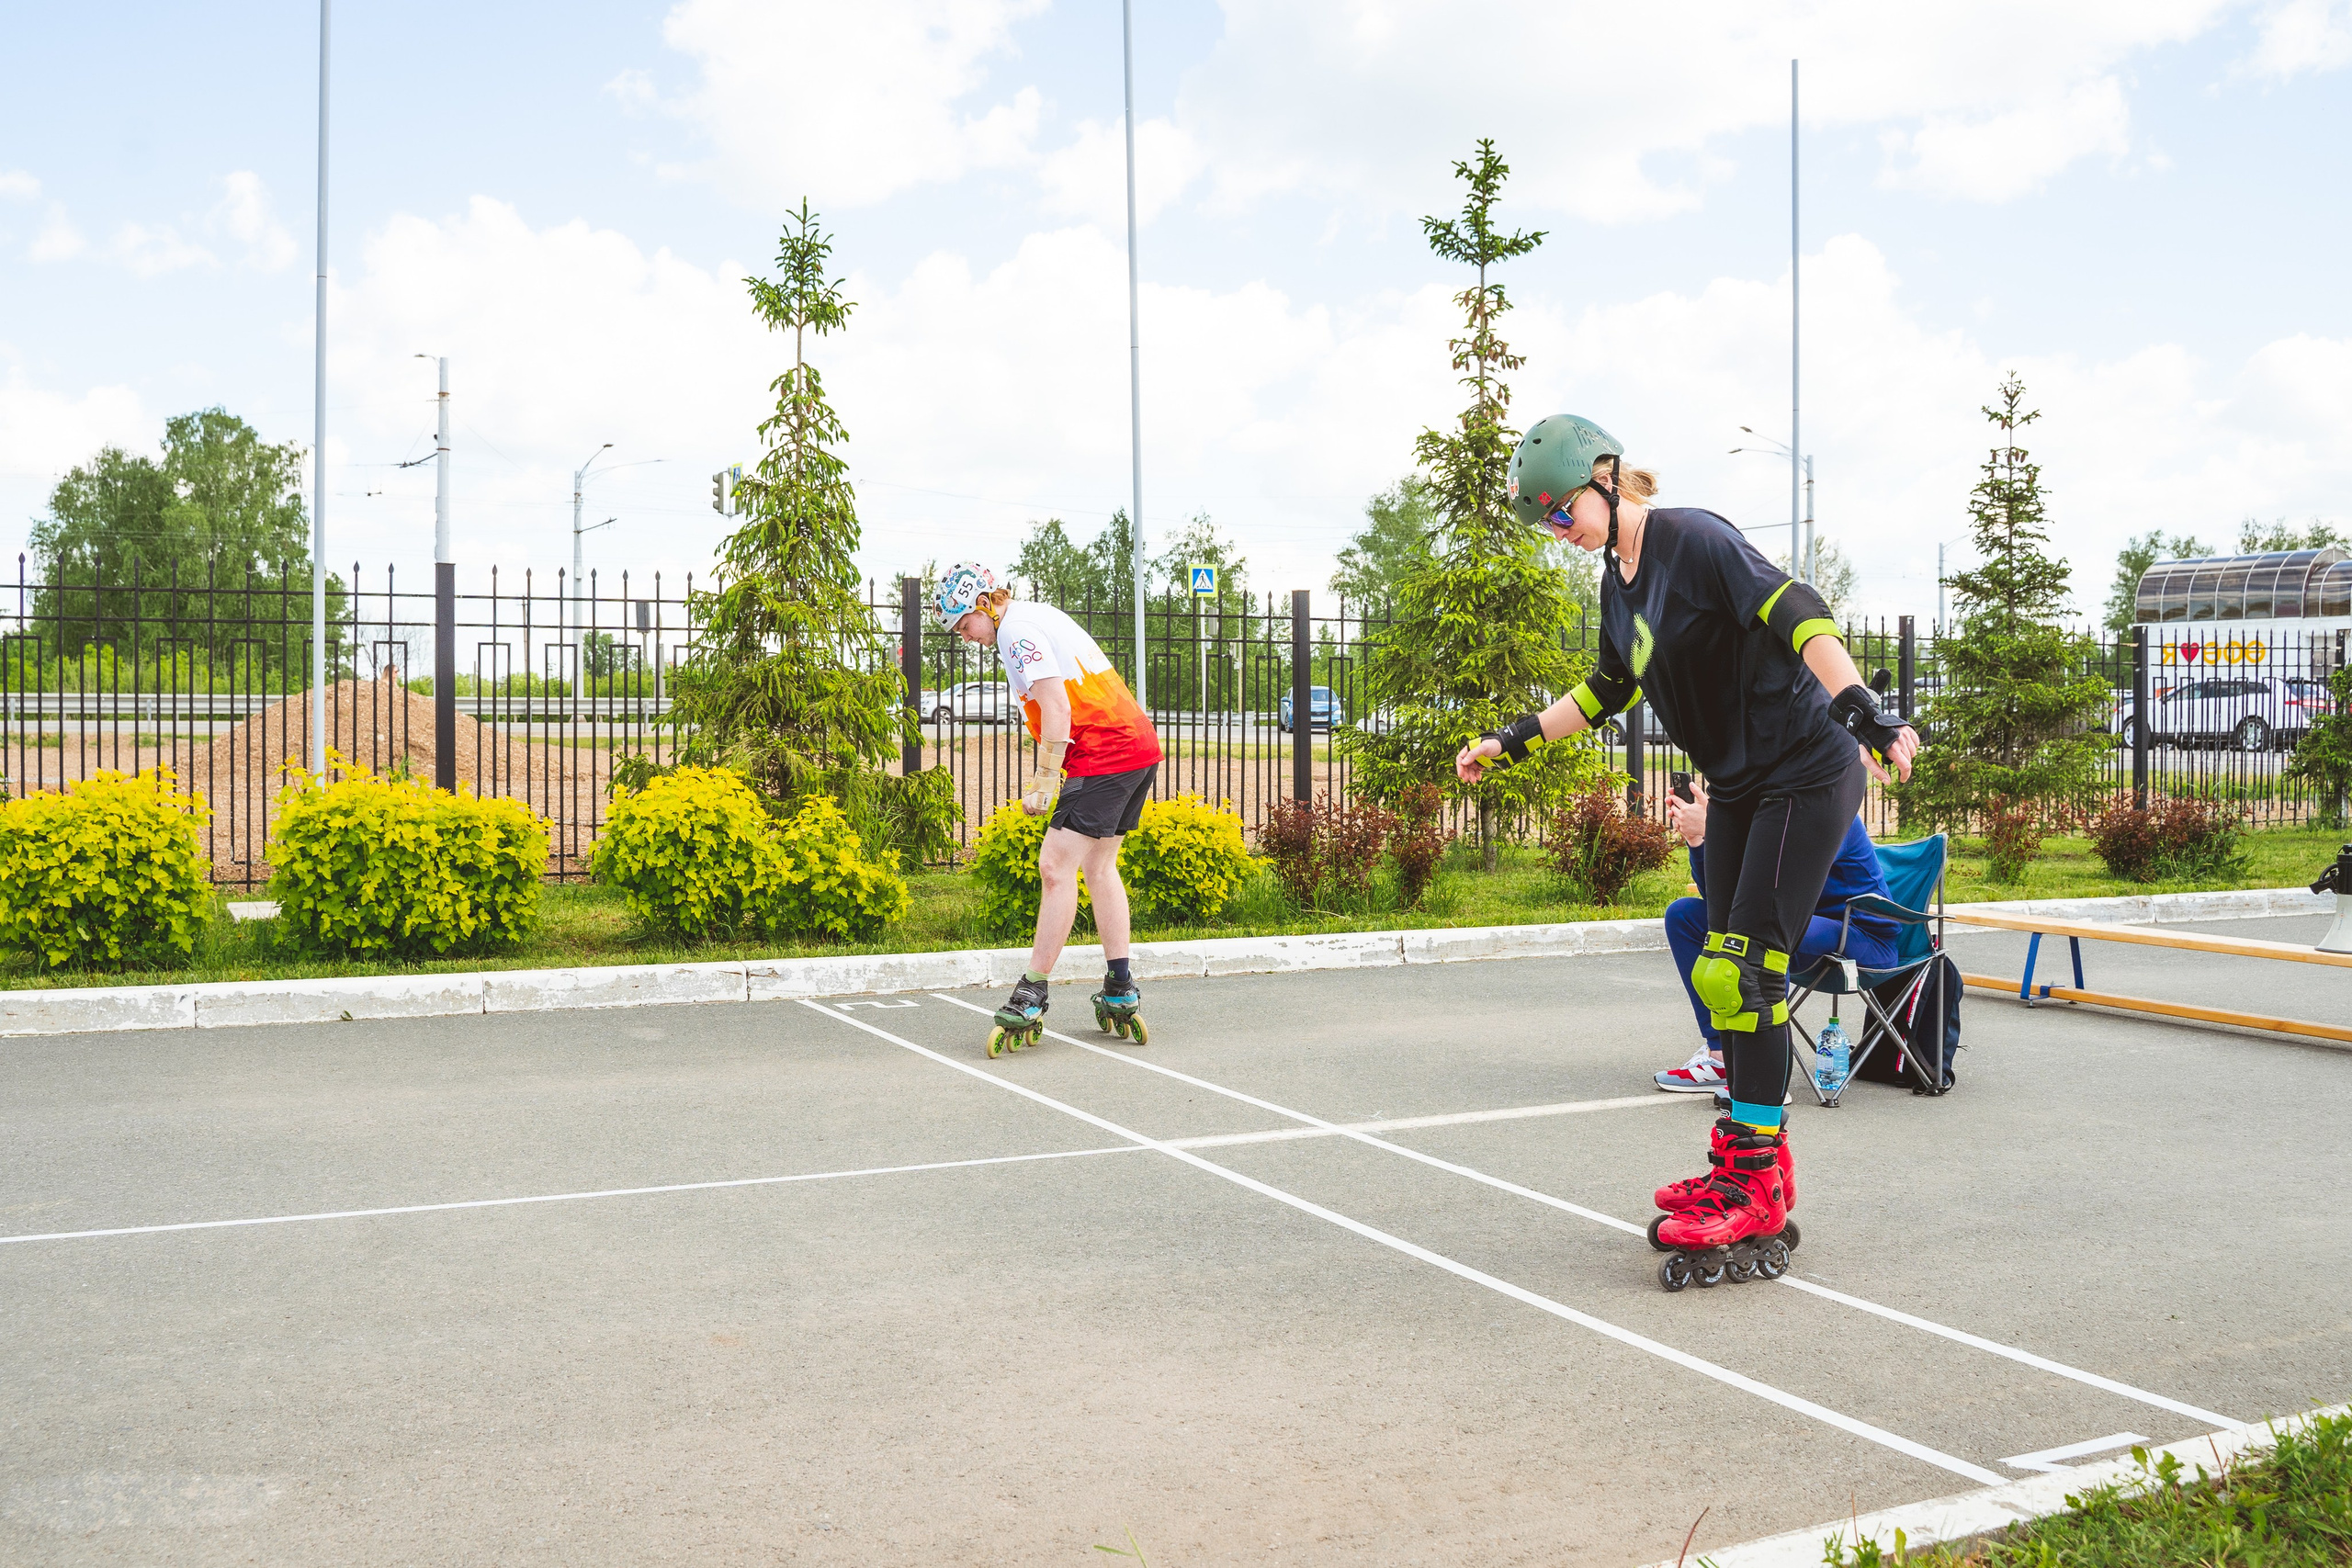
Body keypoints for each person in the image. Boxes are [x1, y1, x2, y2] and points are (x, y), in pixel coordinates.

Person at [1453, 415, 1918, 1289]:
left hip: (1804, 770)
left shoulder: (1693, 540)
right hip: (1741, 782)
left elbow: (1796, 610)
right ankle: (1754, 1161)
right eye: (1549, 525)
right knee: (1723, 968)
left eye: (1564, 514)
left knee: (1750, 972)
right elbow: (1605, 688)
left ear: (1604, 477)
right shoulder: (1618, 585)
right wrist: (1507, 740)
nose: (1562, 533)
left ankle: (1754, 1182)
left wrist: (1857, 698)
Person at [933, 563, 1163, 1056]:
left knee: (1055, 868)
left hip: (1102, 752)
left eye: (964, 625)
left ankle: (1032, 990)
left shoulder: (1015, 633)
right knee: (1100, 868)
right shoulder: (1034, 616)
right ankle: (1120, 987)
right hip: (1136, 745)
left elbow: (1056, 707)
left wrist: (1045, 778)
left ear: (983, 606)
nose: (965, 637)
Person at [1654, 774, 1899, 1095]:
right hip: (1796, 928)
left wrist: (1717, 829)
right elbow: (1720, 902)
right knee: (1684, 915)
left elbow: (1782, 886)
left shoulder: (1826, 804)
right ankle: (1721, 1057)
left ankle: (1765, 1076)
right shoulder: (1755, 809)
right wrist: (1700, 840)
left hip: (1862, 939)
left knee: (1762, 927)